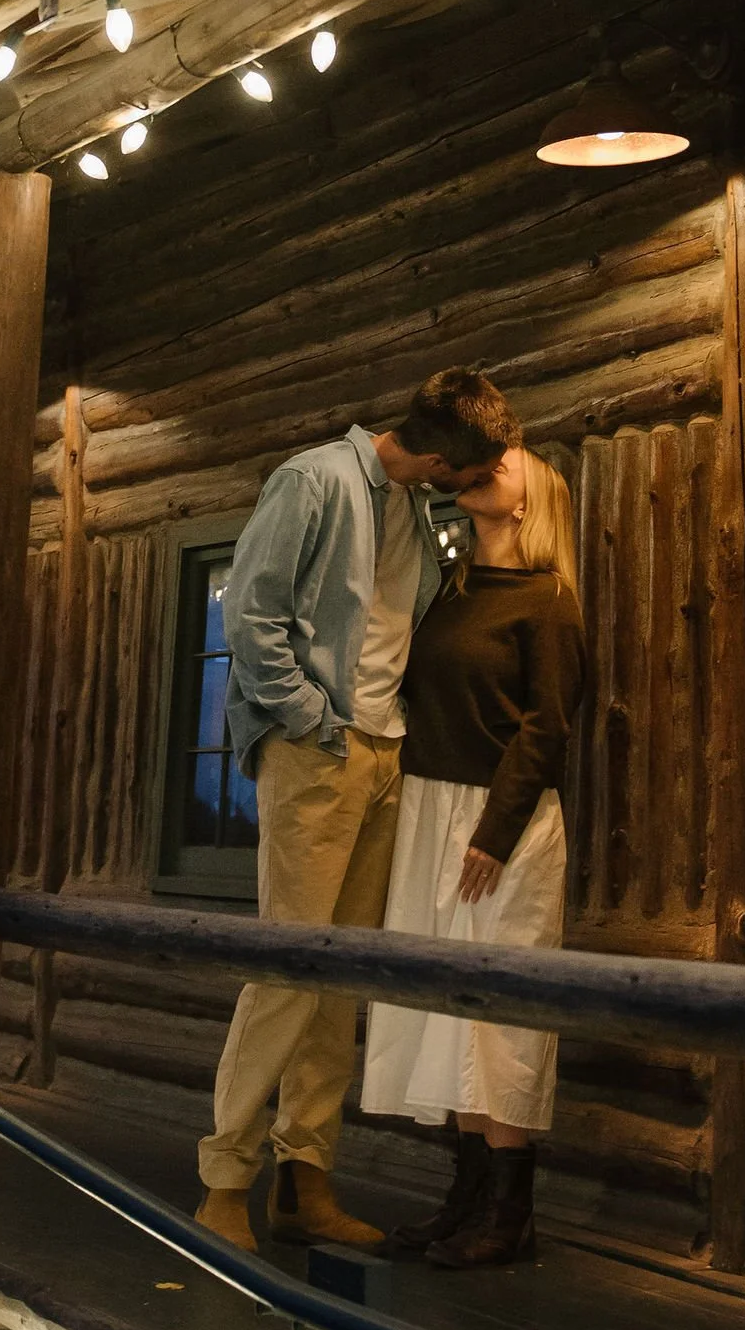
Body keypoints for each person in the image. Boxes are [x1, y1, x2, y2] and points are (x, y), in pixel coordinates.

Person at [195, 367, 519, 1254]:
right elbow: (253, 616)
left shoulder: (415, 507)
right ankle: (225, 1182)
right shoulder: (312, 481)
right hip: (320, 748)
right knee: (287, 967)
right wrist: (313, 720)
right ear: (440, 454)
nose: (470, 486)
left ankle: (307, 1181)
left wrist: (386, 733)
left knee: (340, 977)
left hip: (386, 753)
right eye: (470, 470)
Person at [362, 444, 585, 1269]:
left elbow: (549, 725)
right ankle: (463, 1198)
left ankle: (511, 1213)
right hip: (429, 809)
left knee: (501, 1015)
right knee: (442, 1010)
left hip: (504, 824)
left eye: (508, 462)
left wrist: (494, 832)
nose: (491, 465)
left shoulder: (549, 600)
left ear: (531, 501)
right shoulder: (453, 590)